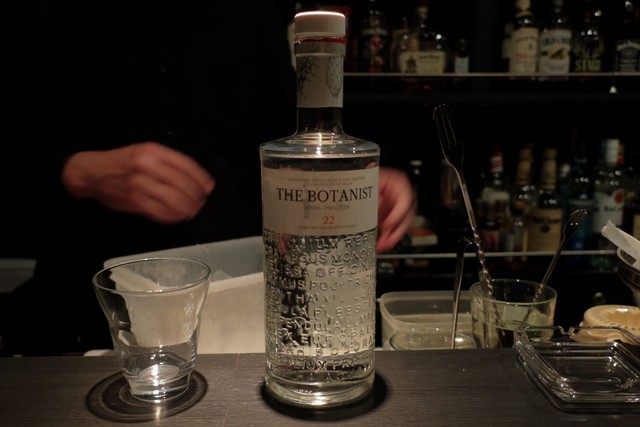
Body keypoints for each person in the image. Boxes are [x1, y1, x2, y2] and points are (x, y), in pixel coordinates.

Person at [0, 1, 416, 356]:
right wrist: (75, 171)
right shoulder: (36, 12)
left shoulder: (250, 10)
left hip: (244, 309)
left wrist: (344, 179)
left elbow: (290, 140)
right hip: (88, 321)